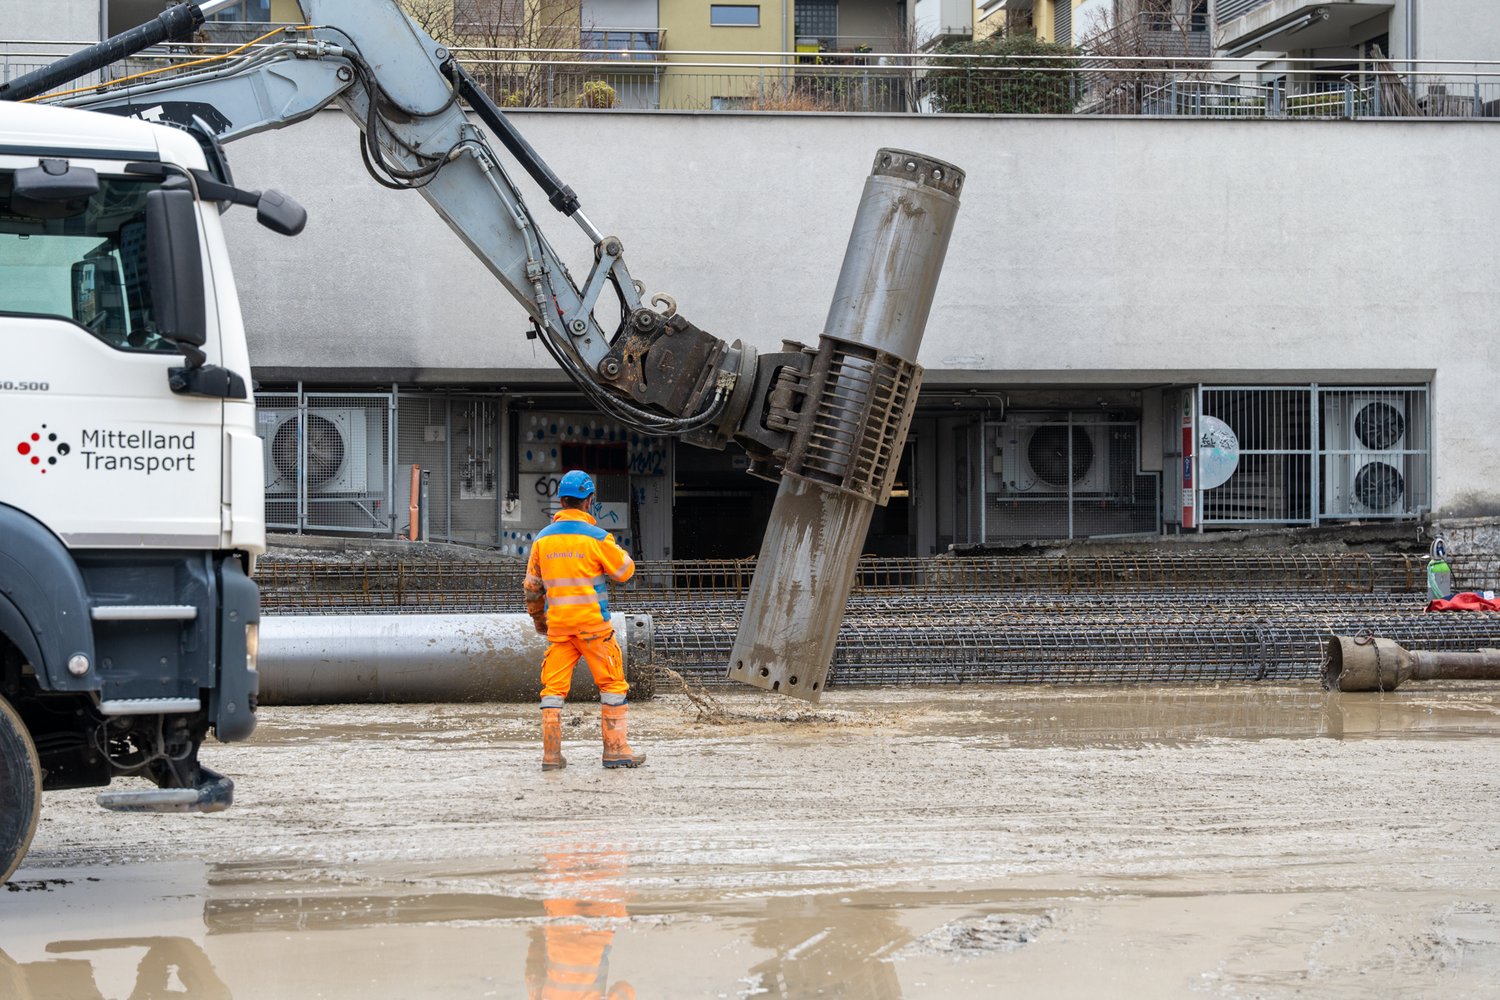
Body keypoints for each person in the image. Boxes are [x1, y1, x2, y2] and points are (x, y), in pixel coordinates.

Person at [524, 469, 645, 770]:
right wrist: (613, 549)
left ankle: (551, 756)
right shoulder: (597, 538)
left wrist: (540, 621)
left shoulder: (542, 540)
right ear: (589, 501)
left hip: (560, 629)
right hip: (594, 629)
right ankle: (615, 750)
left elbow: (531, 588)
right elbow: (625, 572)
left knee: (552, 691)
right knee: (612, 686)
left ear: (562, 501)